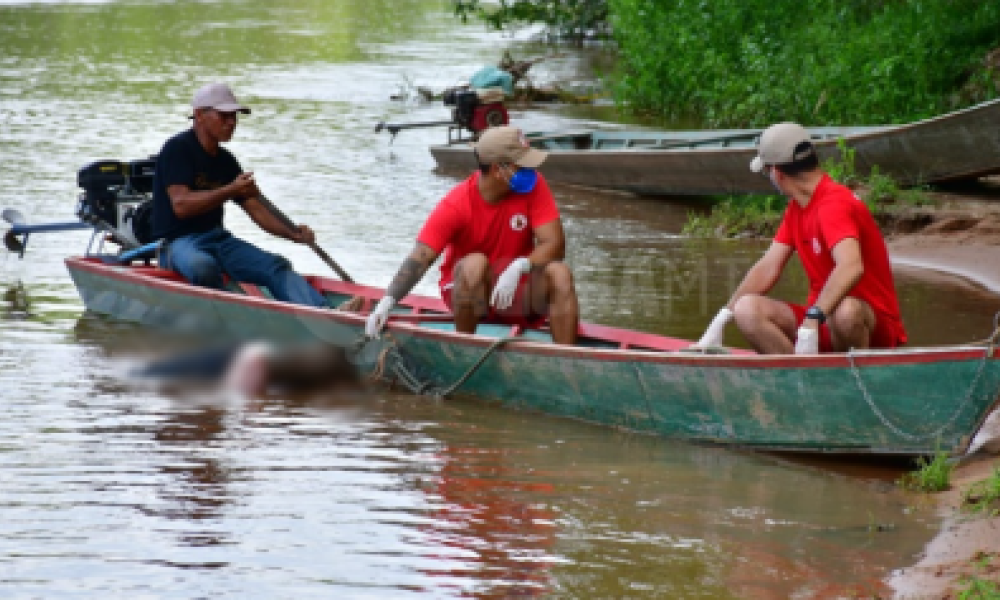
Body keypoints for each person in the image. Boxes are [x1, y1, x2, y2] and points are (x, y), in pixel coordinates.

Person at [695, 122, 907, 354]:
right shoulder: (797, 208)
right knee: (747, 309)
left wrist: (813, 317)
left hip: (866, 327)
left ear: (776, 172)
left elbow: (851, 266)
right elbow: (767, 268)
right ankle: (799, 378)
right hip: (820, 323)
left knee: (845, 312)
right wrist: (724, 316)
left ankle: (857, 380)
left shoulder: (834, 203)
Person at [365, 125, 579, 344]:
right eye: (521, 165)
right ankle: (464, 346)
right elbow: (421, 257)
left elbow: (555, 244)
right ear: (498, 169)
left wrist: (520, 266)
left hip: (512, 289)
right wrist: (386, 303)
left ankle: (570, 364)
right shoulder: (457, 204)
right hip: (468, 293)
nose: (530, 170)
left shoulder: (534, 187)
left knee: (559, 273)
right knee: (475, 263)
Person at [150, 82, 328, 308]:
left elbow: (257, 210)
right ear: (199, 115)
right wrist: (230, 190)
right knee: (203, 266)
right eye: (224, 116)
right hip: (177, 243)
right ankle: (222, 316)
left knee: (276, 265)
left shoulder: (226, 161)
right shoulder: (178, 149)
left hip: (217, 239)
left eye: (234, 116)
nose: (231, 123)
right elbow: (181, 205)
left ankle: (323, 312)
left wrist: (293, 234)